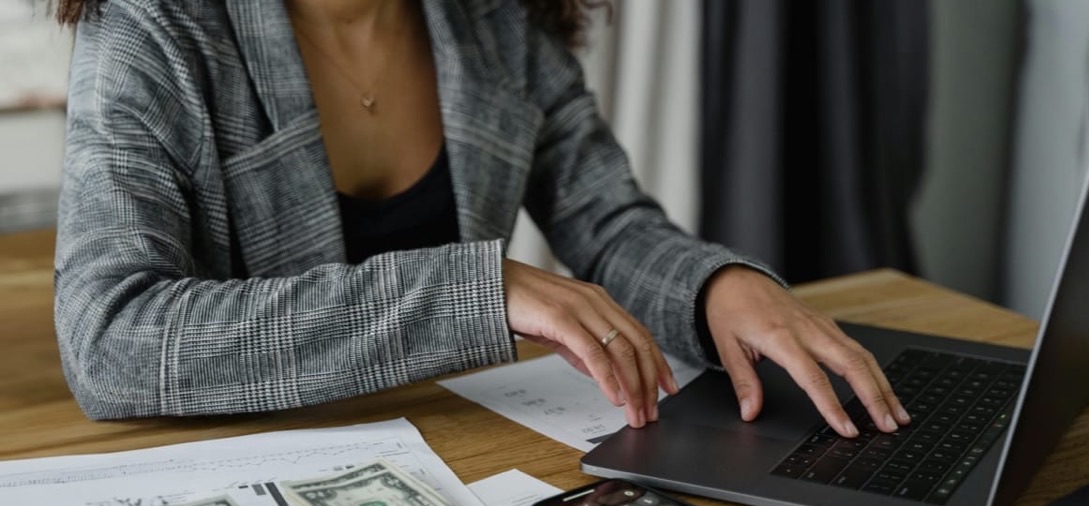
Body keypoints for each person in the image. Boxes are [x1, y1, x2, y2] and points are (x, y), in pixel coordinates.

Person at [53, 0, 908, 439]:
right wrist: (473, 291)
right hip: (246, 482)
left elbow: (607, 223)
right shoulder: (154, 24)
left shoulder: (496, 18)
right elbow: (110, 342)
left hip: (454, 451)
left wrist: (718, 285)